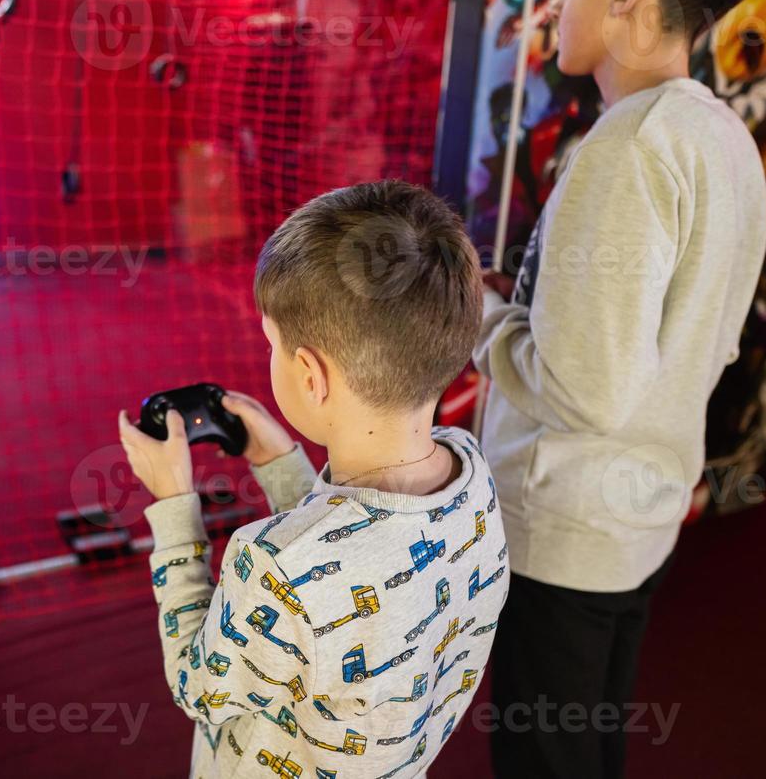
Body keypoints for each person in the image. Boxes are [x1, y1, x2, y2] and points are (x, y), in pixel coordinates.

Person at [474, 0, 766, 779]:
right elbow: (708, 342)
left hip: (566, 533)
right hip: (638, 520)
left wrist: (483, 319)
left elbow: (588, 388)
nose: (561, 2)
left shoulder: (628, 149)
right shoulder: (720, 137)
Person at [118, 180, 507, 777]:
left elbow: (199, 689)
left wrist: (174, 510)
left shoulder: (272, 563)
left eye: (273, 344)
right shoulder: (471, 468)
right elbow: (360, 565)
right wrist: (282, 465)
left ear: (310, 376)